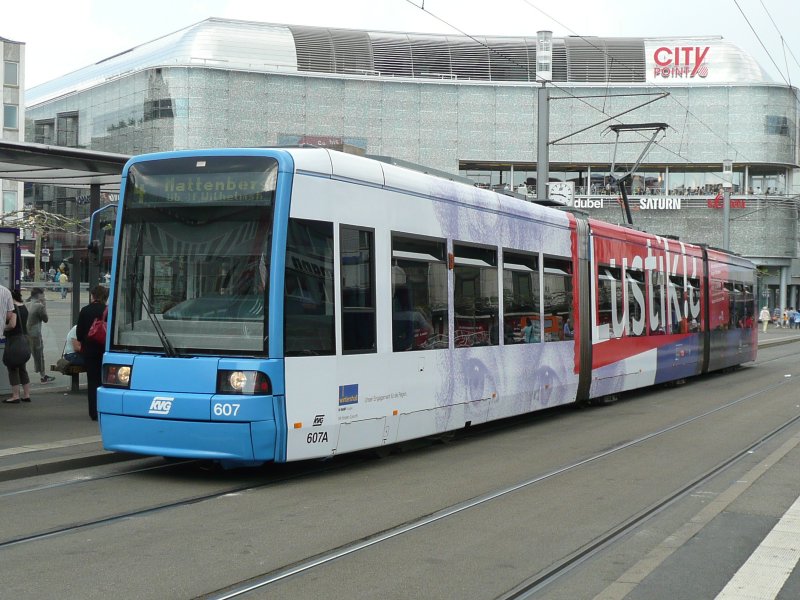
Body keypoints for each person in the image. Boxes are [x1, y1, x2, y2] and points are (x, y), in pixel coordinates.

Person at [76, 285, 108, 421]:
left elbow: (78, 334)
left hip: (89, 351)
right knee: (105, 381)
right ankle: (105, 410)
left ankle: (93, 412)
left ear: (93, 296)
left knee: (93, 381)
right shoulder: (108, 310)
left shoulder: (85, 310)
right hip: (105, 350)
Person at [3, 290, 31, 404]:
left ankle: (15, 396)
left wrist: (2, 327)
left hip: (14, 340)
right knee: (22, 368)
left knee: (12, 367)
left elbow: (12, 325)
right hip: (24, 340)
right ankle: (26, 395)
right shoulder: (23, 306)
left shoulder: (13, 307)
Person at [26, 287, 55, 383]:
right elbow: (45, 319)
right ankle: (43, 376)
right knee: (39, 355)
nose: (44, 296)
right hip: (35, 334)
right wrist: (44, 304)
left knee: (26, 354)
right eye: (43, 294)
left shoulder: (27, 304)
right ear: (39, 295)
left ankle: (21, 375)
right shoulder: (39, 306)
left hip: (25, 333)